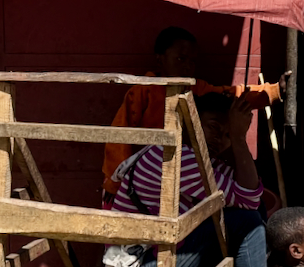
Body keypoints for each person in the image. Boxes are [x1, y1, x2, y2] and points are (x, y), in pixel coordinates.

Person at [111, 93, 266, 267]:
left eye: (228, 134)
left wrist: (238, 138)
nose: (219, 139)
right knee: (246, 221)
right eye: (213, 127)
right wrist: (239, 139)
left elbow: (251, 196)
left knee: (253, 214)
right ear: (190, 124)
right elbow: (248, 201)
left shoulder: (200, 159)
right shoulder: (178, 158)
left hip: (160, 261)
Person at [101, 26, 285, 200]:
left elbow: (232, 95)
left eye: (192, 61)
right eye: (181, 59)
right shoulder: (143, 91)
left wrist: (273, 92)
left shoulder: (196, 89)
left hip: (185, 171)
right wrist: (114, 184)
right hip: (147, 172)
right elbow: (119, 137)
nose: (187, 66)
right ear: (160, 59)